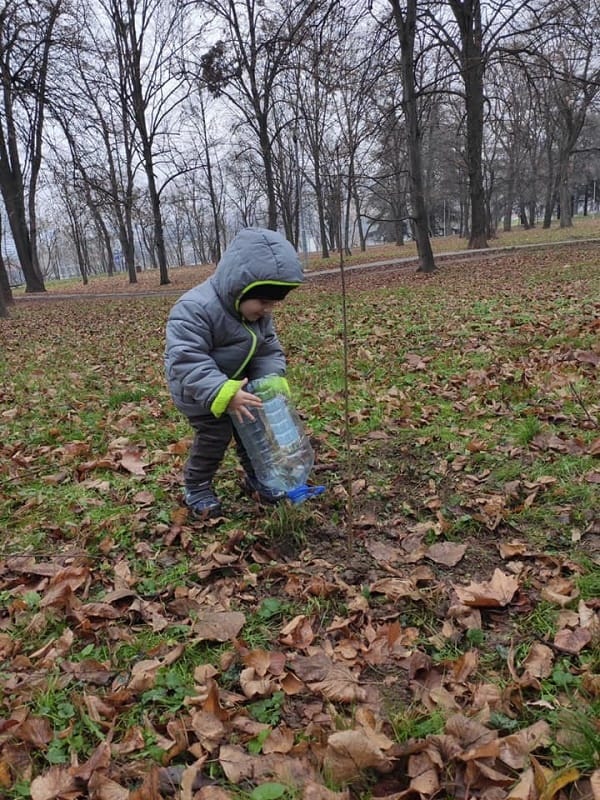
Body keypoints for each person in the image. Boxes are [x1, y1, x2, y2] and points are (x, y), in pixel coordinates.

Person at [165, 227, 304, 517]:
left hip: (241, 389)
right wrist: (222, 392)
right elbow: (187, 359)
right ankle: (198, 485)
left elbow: (267, 349)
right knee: (216, 436)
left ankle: (260, 477)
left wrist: (270, 379)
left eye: (274, 303)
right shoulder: (195, 308)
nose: (268, 310)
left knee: (253, 433)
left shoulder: (257, 315)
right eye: (263, 301)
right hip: (201, 392)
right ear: (239, 288)